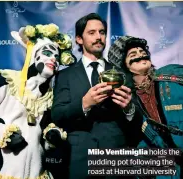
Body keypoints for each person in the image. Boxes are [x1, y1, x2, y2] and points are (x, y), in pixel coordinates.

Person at [51, 13, 142, 179]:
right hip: (79, 159)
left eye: (102, 32)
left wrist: (129, 108)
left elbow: (138, 120)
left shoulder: (122, 74)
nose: (99, 37)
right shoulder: (65, 76)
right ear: (79, 39)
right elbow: (57, 115)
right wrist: (85, 103)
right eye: (91, 33)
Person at [0, 23, 75, 179]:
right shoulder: (3, 81)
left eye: (56, 56)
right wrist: (2, 134)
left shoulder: (50, 98)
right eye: (47, 53)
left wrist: (51, 139)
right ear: (33, 54)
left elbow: (43, 143)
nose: (53, 59)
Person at [108, 35, 183, 179]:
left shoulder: (171, 73)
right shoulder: (129, 101)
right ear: (123, 65)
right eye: (133, 54)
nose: (140, 55)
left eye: (142, 52)